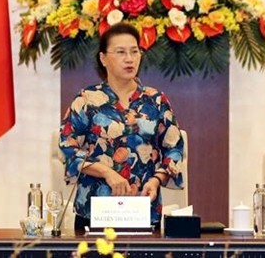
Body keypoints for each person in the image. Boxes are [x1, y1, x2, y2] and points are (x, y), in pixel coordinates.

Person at [59, 22, 184, 231]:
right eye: (121, 52)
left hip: (144, 210)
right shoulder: (86, 100)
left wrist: (156, 180)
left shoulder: (156, 100)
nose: (129, 58)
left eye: (134, 51)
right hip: (94, 213)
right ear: (103, 58)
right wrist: (106, 172)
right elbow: (68, 146)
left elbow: (174, 149)